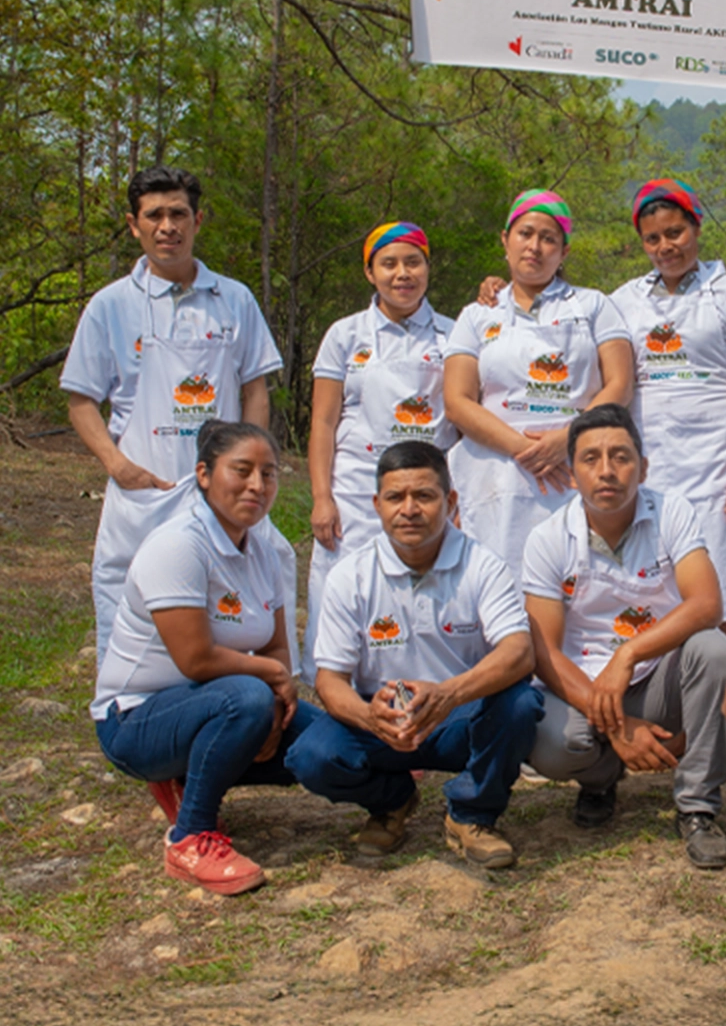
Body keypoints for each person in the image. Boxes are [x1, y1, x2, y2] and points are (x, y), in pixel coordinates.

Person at [89, 419, 317, 896]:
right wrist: (271, 679)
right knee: (247, 699)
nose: (257, 485)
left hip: (213, 703)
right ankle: (190, 838)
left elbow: (275, 645)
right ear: (204, 475)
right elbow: (196, 660)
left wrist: (276, 706)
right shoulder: (178, 545)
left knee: (324, 740)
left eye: (269, 474)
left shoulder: (265, 553)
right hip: (134, 720)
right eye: (242, 470)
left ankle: (390, 795)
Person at [290, 441, 541, 869]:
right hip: (384, 719)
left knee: (520, 705)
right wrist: (369, 717)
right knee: (311, 756)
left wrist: (448, 695)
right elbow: (330, 680)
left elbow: (519, 652)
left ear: (450, 501)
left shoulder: (483, 566)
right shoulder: (350, 575)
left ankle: (472, 814)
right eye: (395, 497)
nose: (409, 509)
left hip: (460, 715)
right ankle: (391, 801)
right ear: (377, 505)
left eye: (424, 496)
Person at [63, 167, 282, 651]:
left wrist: (249, 468)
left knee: (233, 605)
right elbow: (81, 399)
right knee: (132, 601)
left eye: (179, 214)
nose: (168, 227)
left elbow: (255, 390)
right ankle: (131, 695)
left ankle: (239, 695)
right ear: (133, 224)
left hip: (222, 487)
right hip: (146, 487)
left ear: (197, 220)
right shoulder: (110, 306)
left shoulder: (235, 300)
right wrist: (118, 465)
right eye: (154, 215)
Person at [519, 404, 726, 869]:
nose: (607, 470)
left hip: (655, 679)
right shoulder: (547, 538)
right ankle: (599, 781)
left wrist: (629, 654)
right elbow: (544, 652)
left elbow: (706, 605)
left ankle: (698, 807)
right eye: (590, 458)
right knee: (552, 744)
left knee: (715, 650)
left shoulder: (672, 512)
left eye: (621, 457)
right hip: (584, 687)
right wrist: (618, 727)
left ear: (644, 467)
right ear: (571, 474)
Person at [610, 179, 726, 633]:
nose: (665, 247)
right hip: (654, 467)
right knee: (656, 597)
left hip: (722, 467)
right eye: (652, 239)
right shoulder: (623, 302)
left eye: (675, 232)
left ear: (697, 228)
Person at [444, 190, 636, 576]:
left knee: (577, 581)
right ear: (505, 240)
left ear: (564, 252)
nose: (534, 247)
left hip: (573, 470)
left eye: (548, 239)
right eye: (525, 234)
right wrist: (525, 450)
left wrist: (569, 439)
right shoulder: (477, 315)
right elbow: (457, 401)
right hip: (495, 475)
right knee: (496, 582)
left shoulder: (594, 306)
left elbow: (620, 385)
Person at [304, 222, 456, 668]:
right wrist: (321, 497)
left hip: (429, 490)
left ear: (428, 268)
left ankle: (423, 686)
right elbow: (323, 422)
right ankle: (339, 685)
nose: (402, 274)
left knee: (425, 591)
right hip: (355, 491)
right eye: (388, 264)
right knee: (346, 587)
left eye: (413, 262)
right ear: (370, 273)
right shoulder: (345, 335)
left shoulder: (454, 335)